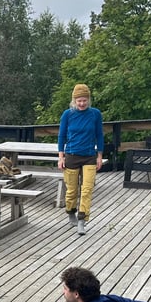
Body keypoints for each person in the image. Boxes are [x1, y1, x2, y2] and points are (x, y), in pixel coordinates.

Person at [57, 83, 104, 236]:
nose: (82, 103)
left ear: (88, 100)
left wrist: (99, 156)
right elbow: (61, 136)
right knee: (71, 191)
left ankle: (82, 220)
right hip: (71, 155)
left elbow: (99, 135)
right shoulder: (68, 115)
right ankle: (71, 212)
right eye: (79, 101)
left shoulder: (95, 114)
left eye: (84, 100)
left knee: (87, 189)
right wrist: (61, 157)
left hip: (90, 155)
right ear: (74, 101)